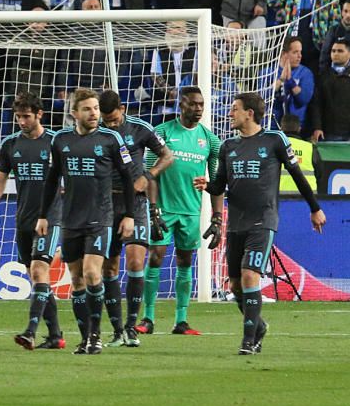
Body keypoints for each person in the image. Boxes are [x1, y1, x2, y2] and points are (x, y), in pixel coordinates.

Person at [195, 92, 324, 354]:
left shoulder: (275, 140)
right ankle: (259, 325)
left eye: (234, 109)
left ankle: (249, 340)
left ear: (249, 113)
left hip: (263, 220)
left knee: (250, 275)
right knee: (235, 285)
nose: (230, 113)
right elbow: (221, 185)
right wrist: (207, 185)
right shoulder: (228, 147)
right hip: (236, 223)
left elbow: (298, 175)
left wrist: (315, 208)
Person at [38, 88, 136, 355]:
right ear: (74, 113)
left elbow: (128, 179)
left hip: (100, 218)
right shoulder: (60, 141)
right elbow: (51, 180)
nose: (94, 113)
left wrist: (129, 214)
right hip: (70, 219)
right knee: (77, 280)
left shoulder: (111, 139)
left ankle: (95, 335)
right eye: (87, 109)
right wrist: (44, 215)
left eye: (95, 108)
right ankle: (85, 338)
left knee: (93, 273)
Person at [0, 92, 65, 349]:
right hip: (24, 219)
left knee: (39, 270)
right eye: (18, 117)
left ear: (40, 114)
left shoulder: (56, 142)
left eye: (27, 116)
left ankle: (30, 331)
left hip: (50, 218)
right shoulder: (11, 145)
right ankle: (56, 335)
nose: (22, 121)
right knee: (37, 278)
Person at [140, 86, 222, 335]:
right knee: (156, 256)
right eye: (193, 104)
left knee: (185, 261)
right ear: (181, 104)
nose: (198, 109)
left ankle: (181, 320)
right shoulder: (163, 132)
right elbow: (149, 174)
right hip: (164, 209)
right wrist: (153, 209)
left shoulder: (209, 140)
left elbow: (217, 181)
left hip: (190, 211)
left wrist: (217, 217)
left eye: (201, 105)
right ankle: (148, 318)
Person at [97, 89, 173, 347]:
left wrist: (148, 176)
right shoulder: (97, 130)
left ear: (123, 109)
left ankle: (131, 326)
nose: (111, 124)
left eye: (114, 119)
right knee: (108, 267)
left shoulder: (140, 128)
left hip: (136, 203)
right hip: (106, 203)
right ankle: (117, 328)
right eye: (107, 121)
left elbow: (168, 156)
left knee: (135, 261)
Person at [267, 0, 339, 71]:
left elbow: (335, 18)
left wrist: (328, 42)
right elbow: (272, 2)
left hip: (317, 46)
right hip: (293, 44)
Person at [308, 37, 350, 142]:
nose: (335, 54)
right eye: (333, 51)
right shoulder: (323, 76)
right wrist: (317, 127)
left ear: (349, 54)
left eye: (340, 51)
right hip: (328, 133)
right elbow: (317, 104)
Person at [271, 37, 314, 127]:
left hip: (296, 127)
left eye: (300, 52)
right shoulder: (268, 72)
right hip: (272, 126)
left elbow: (304, 99)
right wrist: (281, 80)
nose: (300, 56)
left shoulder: (305, 73)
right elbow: (265, 98)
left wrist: (290, 82)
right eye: (295, 52)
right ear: (284, 54)